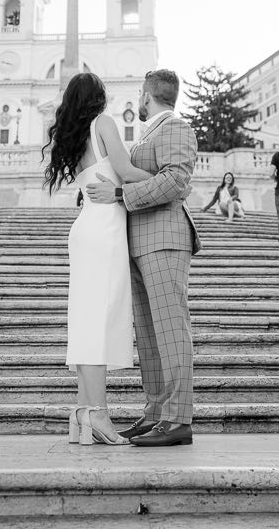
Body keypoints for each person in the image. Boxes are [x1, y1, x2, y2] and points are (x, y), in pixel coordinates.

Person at [85, 69, 202, 447]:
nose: (138, 99)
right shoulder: (151, 133)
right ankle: (156, 413)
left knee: (170, 330)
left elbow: (175, 182)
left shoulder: (177, 128)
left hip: (166, 238)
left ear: (147, 96)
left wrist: (120, 195)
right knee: (150, 337)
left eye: (139, 93)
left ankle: (177, 419)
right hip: (137, 241)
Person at [43, 72, 147, 446]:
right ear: (98, 97)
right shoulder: (103, 123)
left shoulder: (75, 135)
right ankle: (98, 415)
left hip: (88, 227)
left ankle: (83, 412)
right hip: (103, 230)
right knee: (100, 319)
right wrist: (169, 178)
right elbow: (127, 170)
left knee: (89, 320)